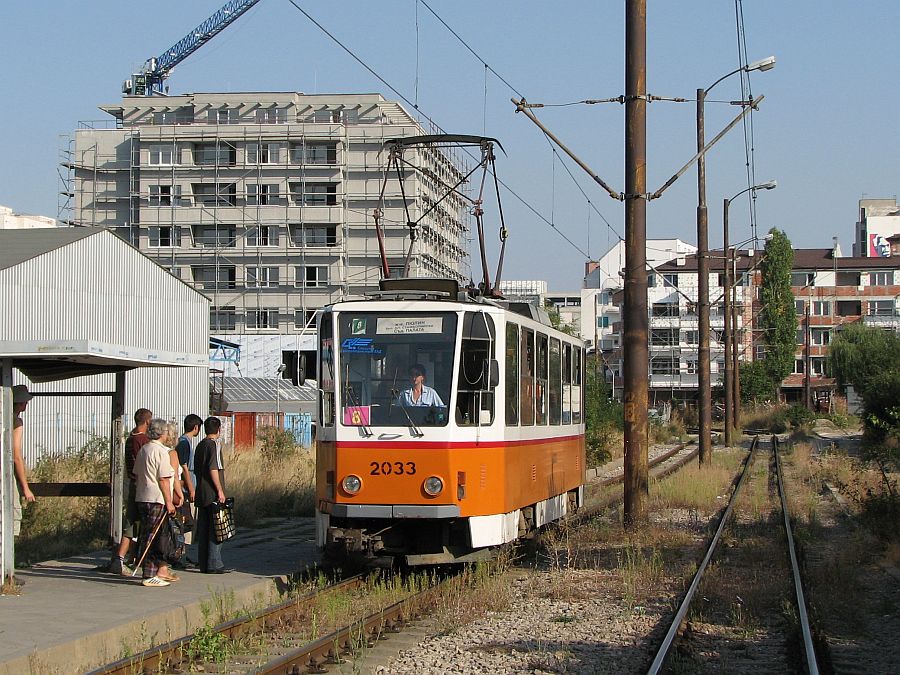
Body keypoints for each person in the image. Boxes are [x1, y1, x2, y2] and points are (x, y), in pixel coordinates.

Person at [134, 418, 181, 587]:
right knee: (154, 537)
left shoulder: (144, 449)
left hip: (142, 496)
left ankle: (152, 571)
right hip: (156, 498)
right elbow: (163, 479)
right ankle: (149, 574)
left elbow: (137, 474)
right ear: (161, 433)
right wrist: (169, 502)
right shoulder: (161, 452)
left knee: (147, 534)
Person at [109, 408, 152, 576]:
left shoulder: (130, 439)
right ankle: (121, 557)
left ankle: (132, 556)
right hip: (140, 485)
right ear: (147, 422)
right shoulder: (142, 440)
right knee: (133, 522)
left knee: (134, 522)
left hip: (133, 482)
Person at [194, 416, 230, 574]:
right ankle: (215, 563)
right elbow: (213, 468)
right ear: (219, 429)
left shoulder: (200, 445)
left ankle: (204, 563)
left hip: (201, 491)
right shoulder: (214, 445)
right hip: (212, 493)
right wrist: (220, 490)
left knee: (203, 528)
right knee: (217, 528)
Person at [11, 385, 36, 537]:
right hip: (7, 475)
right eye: (24, 402)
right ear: (20, 403)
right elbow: (16, 455)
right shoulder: (16, 422)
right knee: (13, 511)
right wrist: (25, 487)